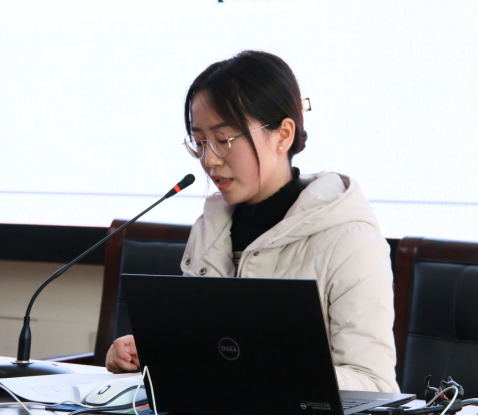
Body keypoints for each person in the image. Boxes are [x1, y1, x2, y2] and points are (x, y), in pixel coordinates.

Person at [106, 50, 400, 393]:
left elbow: (374, 384)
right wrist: (151, 353)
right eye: (199, 142)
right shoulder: (210, 228)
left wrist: (262, 372)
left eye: (223, 140)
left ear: (283, 135)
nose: (209, 160)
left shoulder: (350, 239)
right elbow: (205, 350)